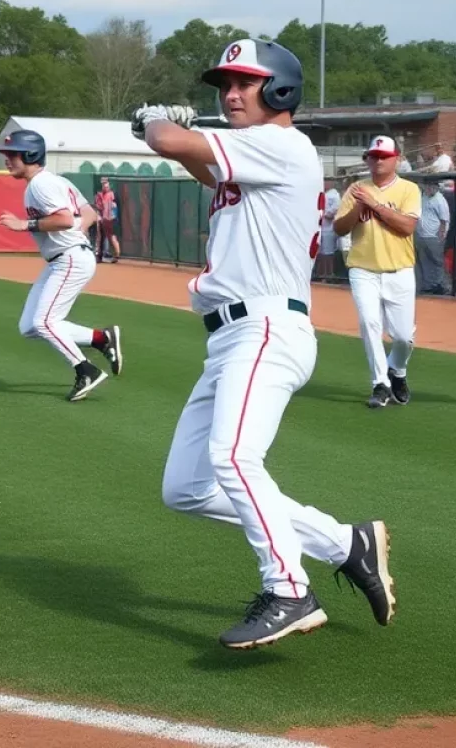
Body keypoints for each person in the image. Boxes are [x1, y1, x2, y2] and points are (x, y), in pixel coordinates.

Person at [135, 38, 395, 650]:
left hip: (267, 327)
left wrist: (153, 120)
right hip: (233, 335)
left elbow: (171, 141)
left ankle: (288, 590)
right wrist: (168, 132)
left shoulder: (280, 143)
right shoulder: (259, 154)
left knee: (231, 457)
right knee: (187, 489)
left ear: (280, 90)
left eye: (245, 83)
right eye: (225, 83)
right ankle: (344, 543)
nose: (230, 93)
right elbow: (198, 163)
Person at [0, 130, 122, 402]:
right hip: (65, 257)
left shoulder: (40, 185)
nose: (7, 160)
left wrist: (25, 224)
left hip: (69, 258)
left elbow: (65, 219)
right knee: (30, 326)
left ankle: (85, 369)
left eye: (13, 154)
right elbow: (89, 213)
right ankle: (101, 339)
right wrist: (76, 231)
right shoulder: (55, 181)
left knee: (44, 322)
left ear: (31, 155)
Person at [333, 135, 421, 408]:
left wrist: (374, 205)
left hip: (400, 269)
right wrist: (360, 207)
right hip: (363, 268)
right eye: (374, 156)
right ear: (367, 159)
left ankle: (397, 369)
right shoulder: (356, 189)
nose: (378, 160)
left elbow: (407, 227)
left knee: (404, 336)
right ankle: (380, 383)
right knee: (370, 324)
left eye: (384, 156)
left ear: (396, 159)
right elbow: (339, 228)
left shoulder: (408, 189)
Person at [415, 180, 450, 294]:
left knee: (437, 262)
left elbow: (444, 219)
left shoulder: (440, 199)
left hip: (434, 235)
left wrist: (442, 233)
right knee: (424, 261)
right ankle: (428, 285)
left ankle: (439, 285)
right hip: (421, 234)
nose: (430, 187)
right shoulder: (423, 196)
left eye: (432, 185)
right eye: (428, 185)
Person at [315, 181, 342, 279]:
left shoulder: (335, 195)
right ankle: (321, 274)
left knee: (328, 253)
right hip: (320, 227)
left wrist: (326, 215)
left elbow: (336, 208)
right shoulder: (322, 193)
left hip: (329, 227)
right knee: (320, 252)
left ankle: (330, 274)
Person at [93, 177, 121, 263]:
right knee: (101, 237)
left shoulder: (112, 195)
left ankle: (116, 255)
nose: (105, 186)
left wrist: (112, 216)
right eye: (103, 184)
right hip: (103, 219)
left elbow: (114, 207)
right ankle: (100, 256)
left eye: (106, 184)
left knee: (111, 236)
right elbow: (99, 206)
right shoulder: (99, 195)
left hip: (110, 219)